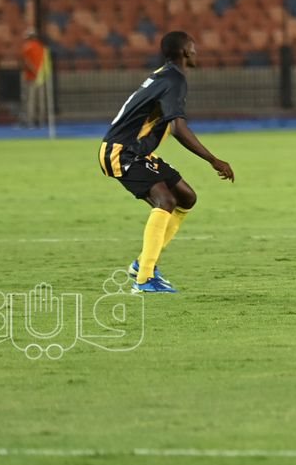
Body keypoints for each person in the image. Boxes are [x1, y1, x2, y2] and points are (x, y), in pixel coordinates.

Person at [99, 32, 235, 293]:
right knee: (166, 201)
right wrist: (213, 160)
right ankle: (144, 279)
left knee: (186, 197)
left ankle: (142, 264)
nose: (196, 51)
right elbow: (178, 128)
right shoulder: (174, 79)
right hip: (122, 152)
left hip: (137, 152)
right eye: (193, 47)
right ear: (185, 51)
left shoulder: (166, 75)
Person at [20, 29, 51, 128]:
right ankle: (41, 121)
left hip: (31, 76)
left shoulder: (27, 46)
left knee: (30, 100)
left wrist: (34, 71)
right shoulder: (42, 47)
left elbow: (26, 61)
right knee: (41, 100)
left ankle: (30, 121)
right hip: (41, 77)